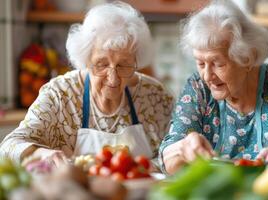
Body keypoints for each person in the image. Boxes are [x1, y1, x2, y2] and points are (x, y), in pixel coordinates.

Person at [159, 0, 268, 174]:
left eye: (218, 63)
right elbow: (167, 159)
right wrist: (182, 149)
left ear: (247, 59)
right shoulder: (197, 86)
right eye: (201, 63)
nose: (207, 76)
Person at [0, 1, 174, 167]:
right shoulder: (60, 95)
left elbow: (175, 156)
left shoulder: (155, 96)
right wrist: (40, 154)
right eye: (102, 64)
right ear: (86, 59)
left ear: (136, 61)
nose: (113, 78)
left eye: (123, 65)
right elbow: (9, 147)